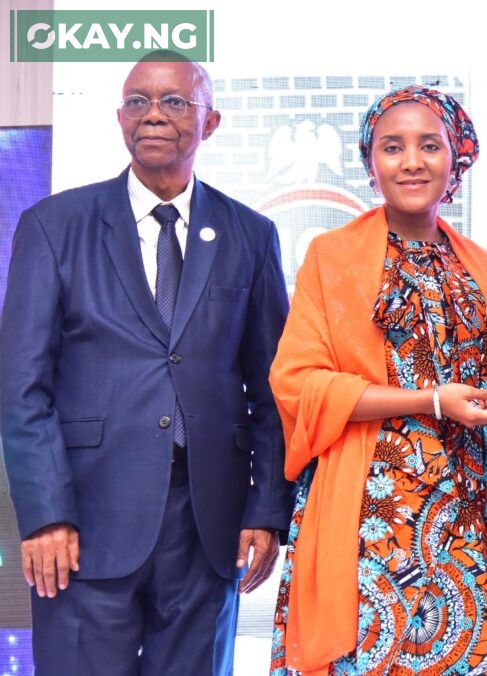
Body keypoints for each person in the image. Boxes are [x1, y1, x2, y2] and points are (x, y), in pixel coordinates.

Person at [0, 51, 292, 674]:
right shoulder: (54, 226)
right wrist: (46, 514)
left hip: (207, 525)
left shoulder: (251, 234)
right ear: (119, 119)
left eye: (175, 102)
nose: (153, 115)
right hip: (82, 523)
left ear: (210, 122)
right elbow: (23, 387)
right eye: (138, 102)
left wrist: (267, 510)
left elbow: (273, 392)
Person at [268, 86, 487, 675]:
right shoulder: (330, 257)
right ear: (371, 163)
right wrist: (433, 400)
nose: (412, 161)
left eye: (429, 146)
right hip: (369, 515)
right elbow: (298, 382)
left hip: (467, 514)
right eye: (393, 147)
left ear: (455, 159)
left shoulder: (482, 265)